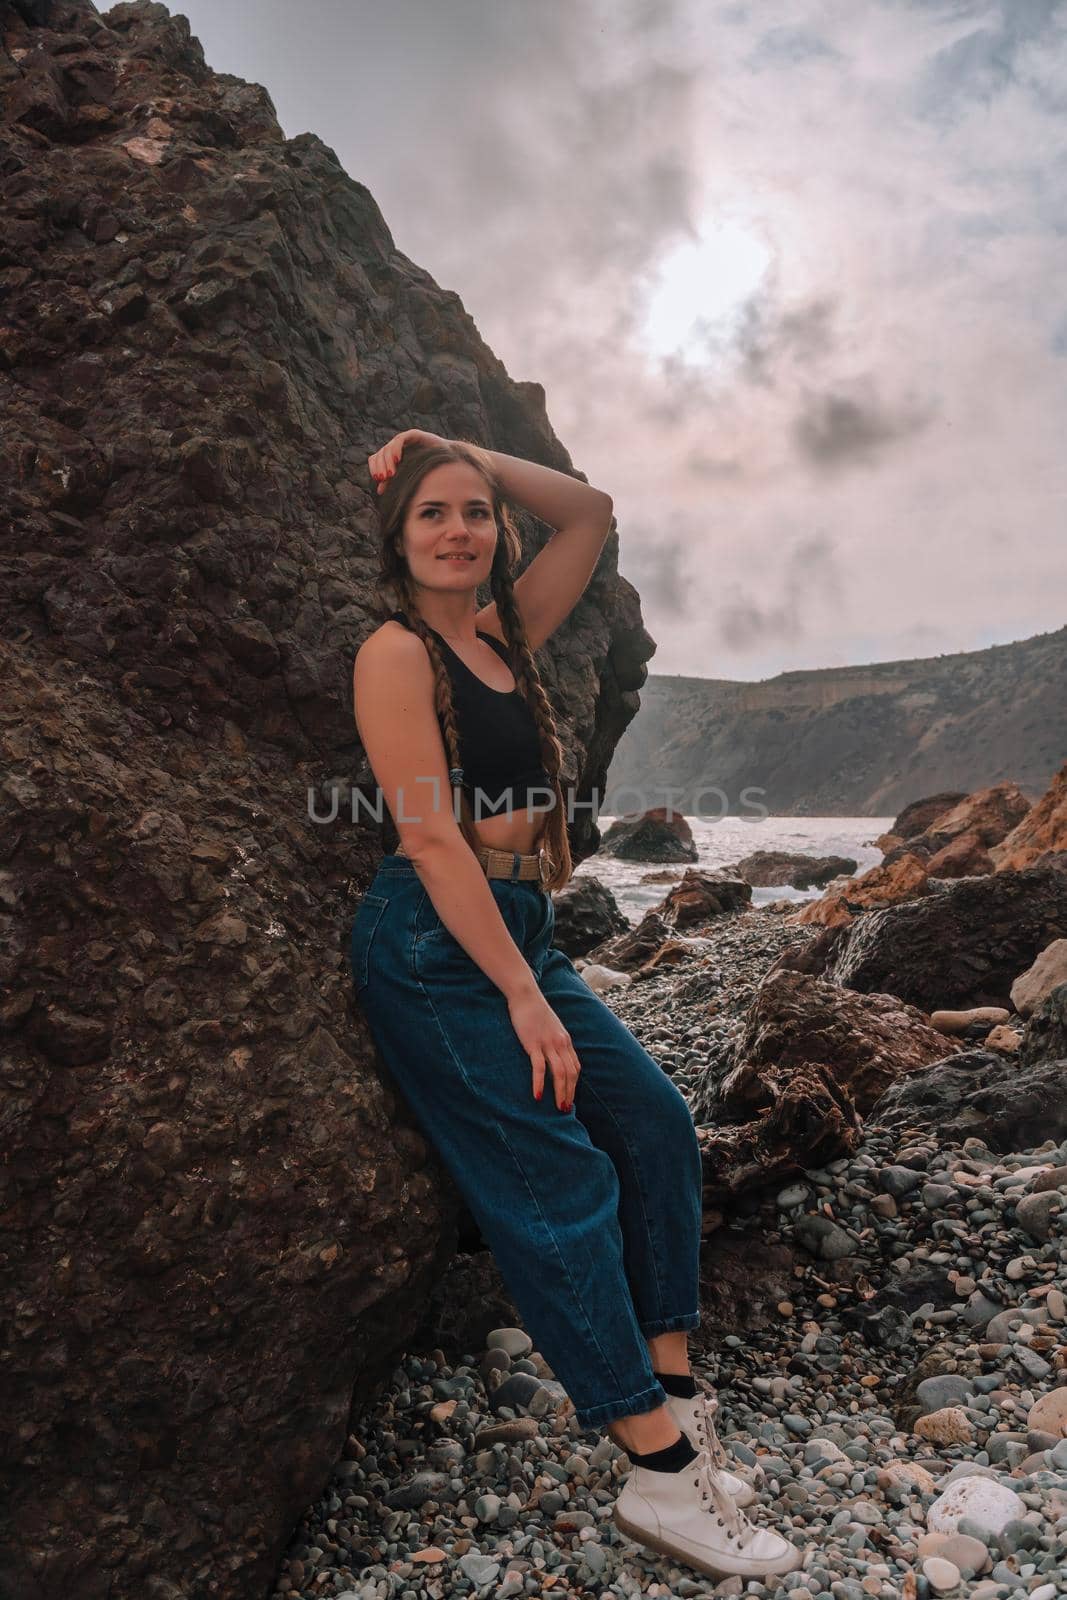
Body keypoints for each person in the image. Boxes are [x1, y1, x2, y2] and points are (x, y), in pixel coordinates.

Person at [348, 429, 802, 1582]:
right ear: (397, 543)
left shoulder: (503, 638)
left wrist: (459, 450)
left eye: (473, 512)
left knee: (651, 1126)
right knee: (556, 1179)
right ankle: (657, 1479)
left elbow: (590, 512)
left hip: (525, 930)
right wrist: (518, 994)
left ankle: (674, 1413)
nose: (458, 529)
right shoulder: (396, 655)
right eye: (431, 514)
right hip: (438, 946)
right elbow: (429, 835)